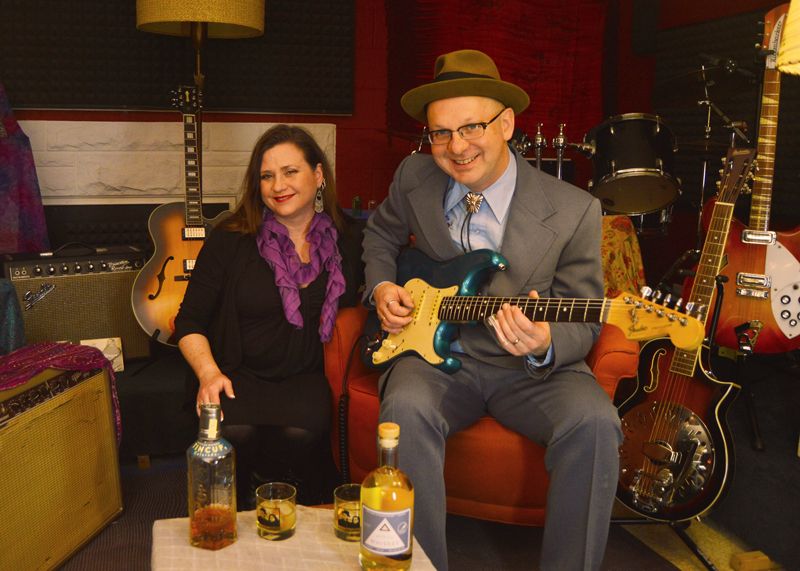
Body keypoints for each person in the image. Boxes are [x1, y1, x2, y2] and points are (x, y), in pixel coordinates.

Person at [362, 50, 622, 570]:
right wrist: (383, 287)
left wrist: (546, 342)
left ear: (506, 124)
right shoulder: (414, 177)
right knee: (406, 408)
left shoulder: (575, 210)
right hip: (435, 358)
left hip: (530, 371)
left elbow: (586, 315)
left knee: (596, 423)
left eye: (471, 127)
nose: (456, 147)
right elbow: (380, 235)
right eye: (440, 133)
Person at [174, 124, 364, 507]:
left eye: (290, 171)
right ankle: (242, 501)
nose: (278, 185)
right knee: (236, 431)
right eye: (267, 176)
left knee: (302, 431)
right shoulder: (230, 239)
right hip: (237, 373)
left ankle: (280, 492)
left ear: (318, 175)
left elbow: (383, 290)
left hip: (306, 376)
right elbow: (189, 321)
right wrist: (209, 374)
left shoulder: (349, 239)